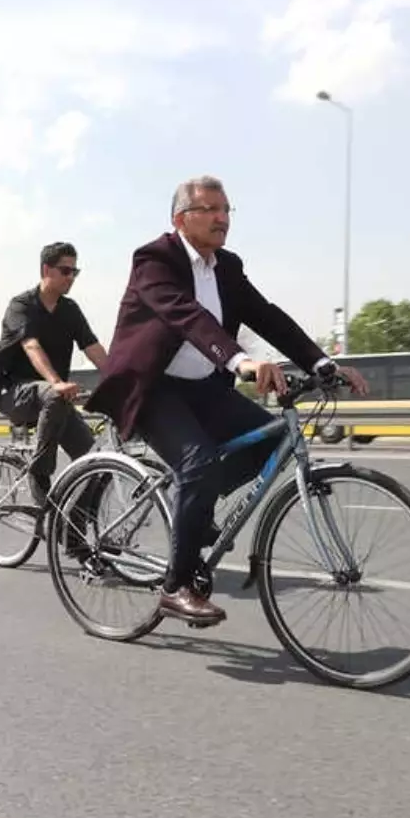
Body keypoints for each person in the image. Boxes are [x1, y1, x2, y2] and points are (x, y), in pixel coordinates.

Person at [85, 175, 368, 625]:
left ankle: (192, 515)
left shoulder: (227, 266)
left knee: (264, 443)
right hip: (153, 388)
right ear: (182, 218)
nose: (222, 218)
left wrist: (321, 364)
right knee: (198, 464)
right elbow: (186, 317)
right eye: (211, 210)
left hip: (204, 389)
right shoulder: (154, 260)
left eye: (227, 210)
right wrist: (241, 362)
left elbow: (267, 316)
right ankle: (174, 588)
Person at [0, 241, 108, 507]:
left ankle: (71, 533)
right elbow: (31, 345)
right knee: (53, 395)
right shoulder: (21, 305)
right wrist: (56, 382)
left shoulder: (70, 310)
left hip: (52, 399)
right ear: (46, 269)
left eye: (75, 272)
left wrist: (122, 379)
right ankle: (39, 472)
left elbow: (93, 348)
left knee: (97, 463)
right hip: (12, 392)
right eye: (65, 271)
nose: (71, 277)